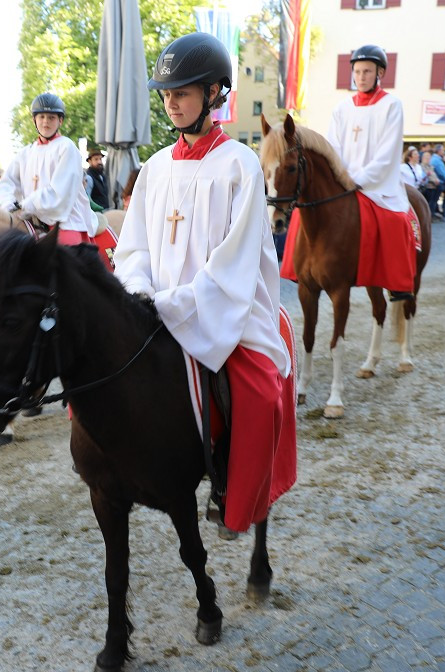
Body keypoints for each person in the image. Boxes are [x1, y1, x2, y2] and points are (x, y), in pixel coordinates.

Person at [113, 32, 296, 533]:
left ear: (215, 93)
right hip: (155, 307)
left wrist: (177, 304)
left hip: (223, 311)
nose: (172, 102)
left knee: (257, 392)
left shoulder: (239, 165)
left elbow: (233, 264)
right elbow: (132, 248)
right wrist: (139, 297)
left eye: (183, 91)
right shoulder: (154, 168)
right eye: (166, 93)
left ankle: (230, 487)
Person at [325, 45, 414, 300]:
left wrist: (359, 179)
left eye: (367, 71)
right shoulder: (342, 107)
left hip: (378, 184)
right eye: (357, 71)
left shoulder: (391, 105)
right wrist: (341, 176)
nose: (361, 77)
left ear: (380, 73)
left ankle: (398, 282)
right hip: (343, 181)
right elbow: (333, 146)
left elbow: (388, 153)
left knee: (396, 221)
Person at [0, 92, 99, 245]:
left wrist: (26, 205)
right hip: (29, 219)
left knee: (66, 258)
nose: (45, 122)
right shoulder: (25, 153)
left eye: (51, 117)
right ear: (35, 120)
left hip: (65, 220)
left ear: (60, 121)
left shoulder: (67, 147)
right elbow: (6, 185)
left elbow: (59, 193)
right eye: (41, 117)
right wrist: (8, 204)